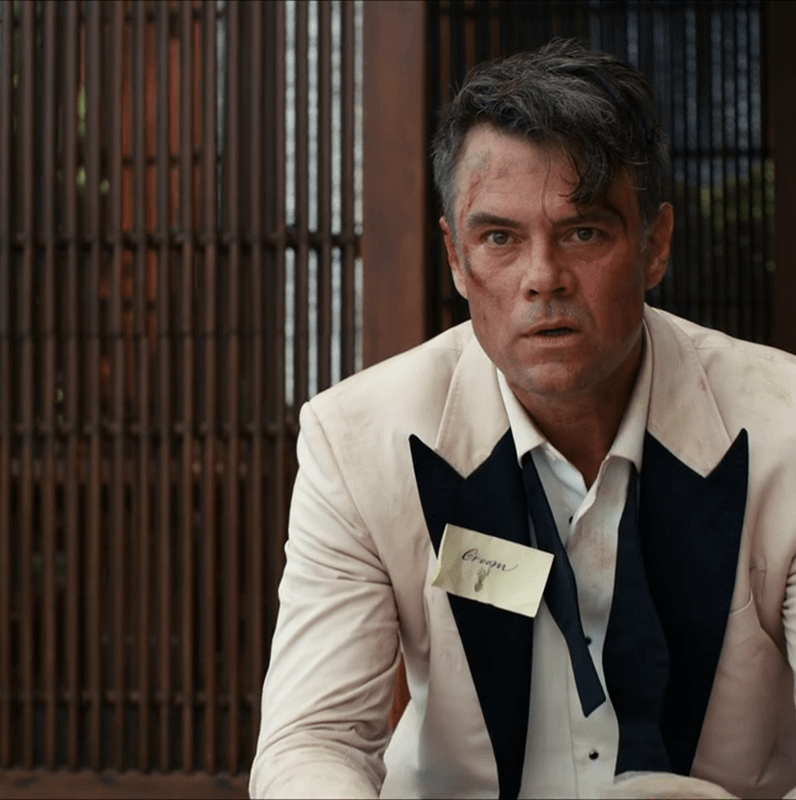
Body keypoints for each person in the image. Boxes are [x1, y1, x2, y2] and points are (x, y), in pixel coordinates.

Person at [250, 38, 796, 799]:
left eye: (585, 232)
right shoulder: (357, 441)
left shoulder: (785, 430)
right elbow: (315, 737)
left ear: (656, 245)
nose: (543, 279)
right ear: (456, 256)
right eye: (499, 238)